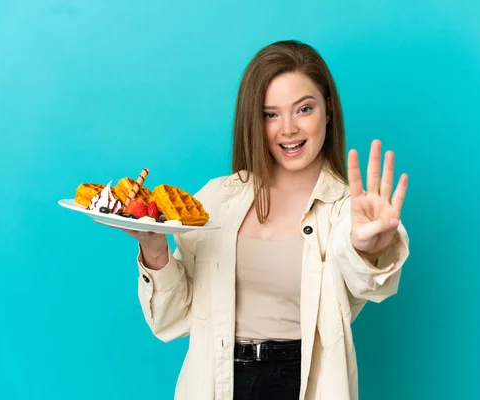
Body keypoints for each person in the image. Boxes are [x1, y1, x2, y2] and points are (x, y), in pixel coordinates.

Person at [120, 40, 410, 400]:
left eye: (303, 109)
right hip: (219, 381)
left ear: (328, 110)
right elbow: (174, 320)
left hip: (305, 382)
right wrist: (154, 248)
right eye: (270, 114)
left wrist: (369, 248)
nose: (287, 129)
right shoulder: (217, 199)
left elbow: (365, 277)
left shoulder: (346, 209)